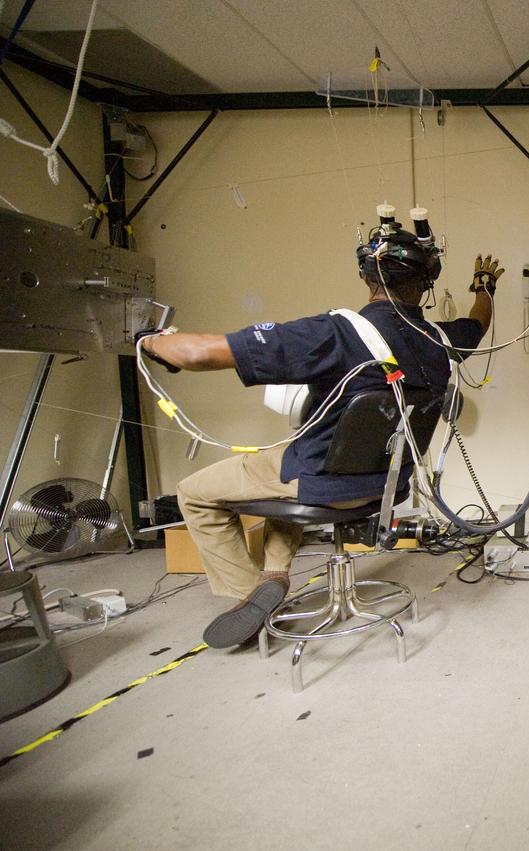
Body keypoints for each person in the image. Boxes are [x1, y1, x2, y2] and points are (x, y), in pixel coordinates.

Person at [139, 215, 502, 649]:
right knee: (285, 469)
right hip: (385, 485)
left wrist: (148, 341)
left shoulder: (336, 331)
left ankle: (247, 595)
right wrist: (484, 284)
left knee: (195, 491)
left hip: (323, 480)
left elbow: (197, 353)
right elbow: (478, 322)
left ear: (365, 274)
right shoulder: (440, 338)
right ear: (427, 280)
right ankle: (274, 574)